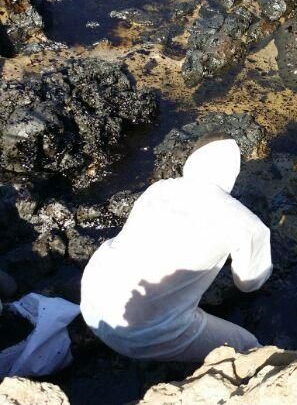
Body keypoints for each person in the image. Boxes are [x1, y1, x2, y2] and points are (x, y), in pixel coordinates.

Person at [80, 133, 272, 362]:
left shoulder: (158, 189)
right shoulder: (245, 222)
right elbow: (249, 283)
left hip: (92, 302)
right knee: (248, 347)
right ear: (233, 171)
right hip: (138, 335)